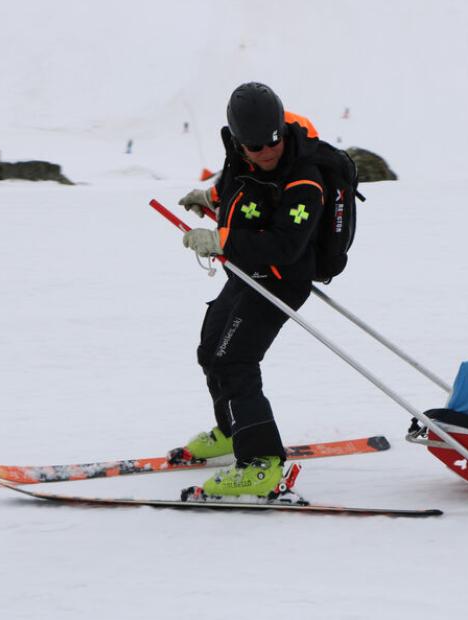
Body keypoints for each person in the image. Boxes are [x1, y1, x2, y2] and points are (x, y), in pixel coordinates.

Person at [172, 82, 325, 498]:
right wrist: (213, 198)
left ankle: (261, 464)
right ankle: (232, 429)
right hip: (246, 272)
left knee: (234, 359)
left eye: (273, 139)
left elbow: (286, 245)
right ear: (239, 142)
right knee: (211, 350)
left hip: (281, 279)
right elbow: (240, 183)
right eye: (255, 146)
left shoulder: (305, 180)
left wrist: (221, 240)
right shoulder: (243, 156)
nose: (267, 151)